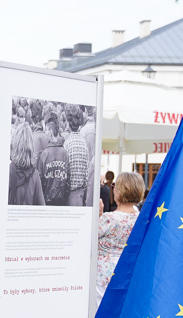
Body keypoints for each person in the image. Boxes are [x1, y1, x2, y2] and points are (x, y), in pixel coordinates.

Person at [96, 172, 141, 306]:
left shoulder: (108, 219)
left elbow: (91, 238)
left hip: (103, 277)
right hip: (128, 273)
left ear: (120, 190)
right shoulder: (140, 218)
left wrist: (99, 215)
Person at [37, 110, 69, 206]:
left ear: (50, 131)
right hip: (62, 203)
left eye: (46, 130)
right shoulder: (65, 153)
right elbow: (68, 182)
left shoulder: (44, 154)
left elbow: (40, 182)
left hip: (47, 203)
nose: (45, 133)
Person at [8, 124, 44, 206]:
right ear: (31, 146)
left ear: (15, 144)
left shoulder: (7, 171)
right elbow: (41, 207)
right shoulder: (35, 175)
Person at [63, 104, 90, 206]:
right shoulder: (83, 143)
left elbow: (65, 171)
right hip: (81, 194)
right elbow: (87, 173)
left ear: (68, 123)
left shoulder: (67, 143)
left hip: (70, 194)